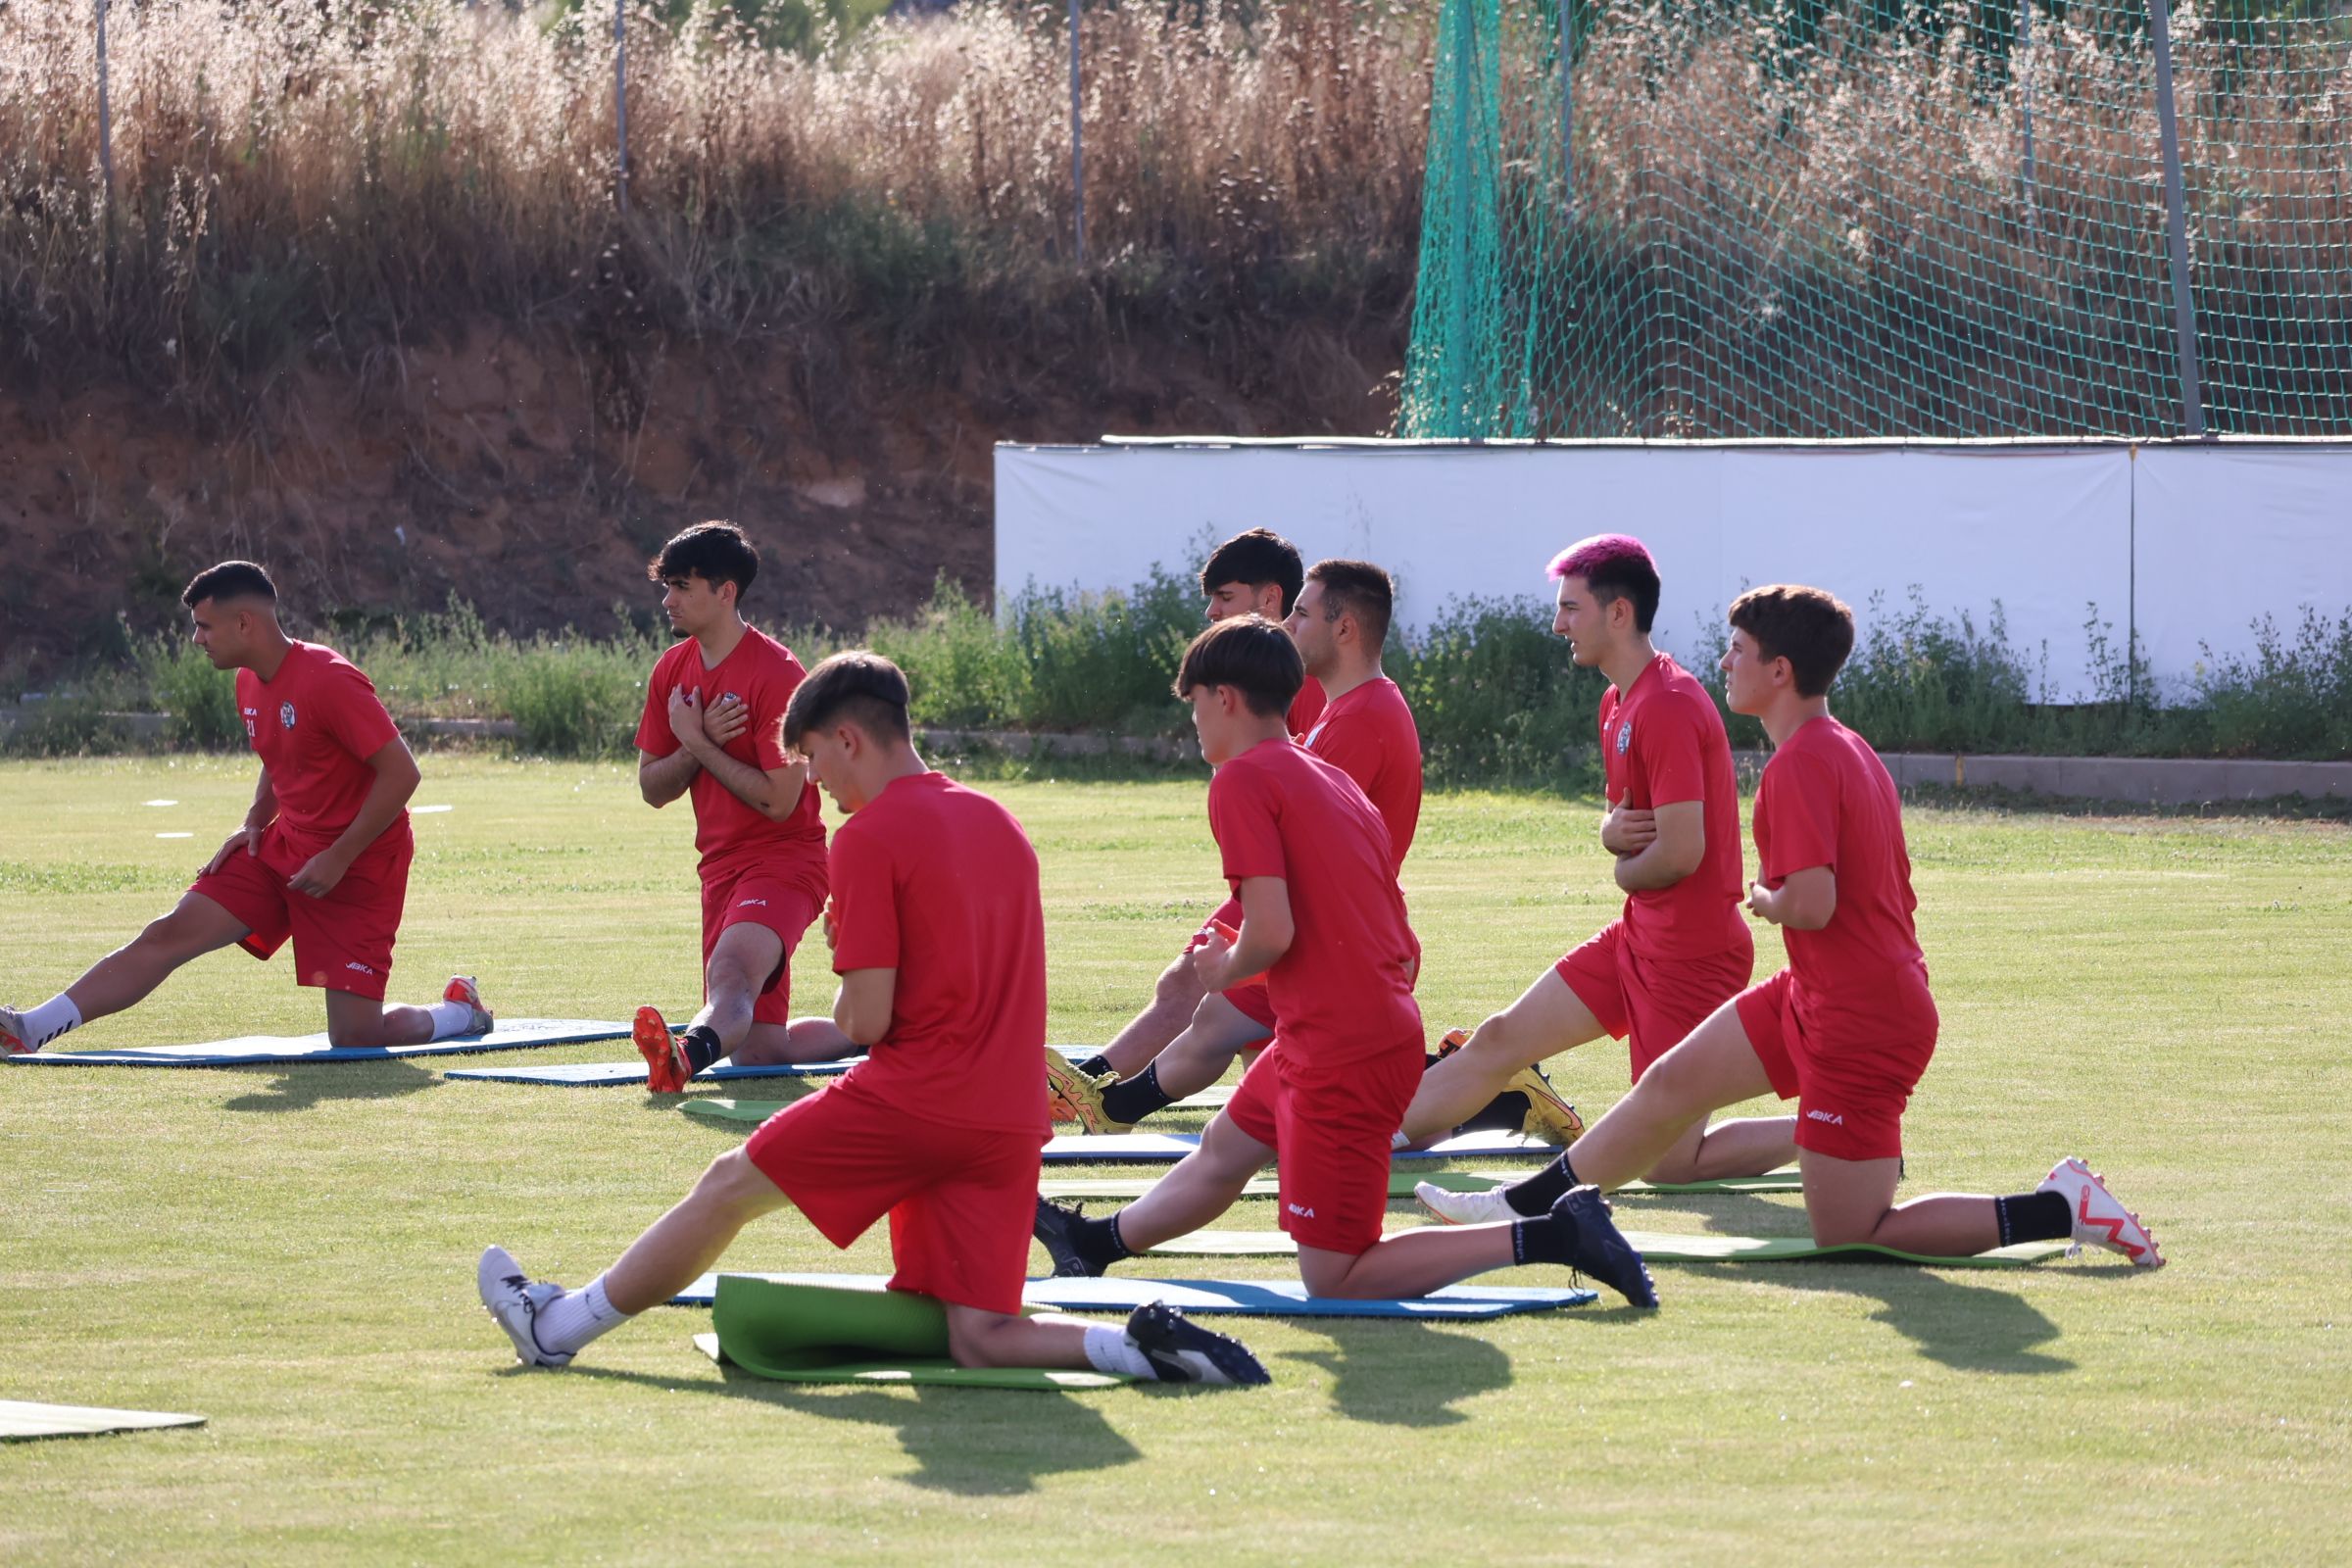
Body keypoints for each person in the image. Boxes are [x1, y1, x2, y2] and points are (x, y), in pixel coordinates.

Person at [479, 652, 1271, 1383]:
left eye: (815, 760)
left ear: (849, 739)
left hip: (917, 1099)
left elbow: (864, 1022)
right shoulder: (1002, 823)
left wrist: (840, 952)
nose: (816, 783)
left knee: (728, 1185)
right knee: (981, 1334)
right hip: (1007, 1121)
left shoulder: (866, 839)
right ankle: (1135, 1347)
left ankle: (556, 1326)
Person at [1417, 586, 2163, 1269]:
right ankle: (1518, 1203)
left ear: (1779, 671)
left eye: (1738, 651)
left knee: (1855, 1230)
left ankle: (2058, 1207)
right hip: (1820, 992)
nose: (1724, 663)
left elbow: (1812, 904)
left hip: (1862, 1017)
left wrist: (1767, 900)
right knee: (1669, 1083)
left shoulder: (1802, 762)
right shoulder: (1841, 746)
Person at [1033, 617, 1658, 1308]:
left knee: (1336, 1274)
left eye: (1194, 705)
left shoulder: (1241, 781)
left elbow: (1269, 931)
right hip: (1349, 1029)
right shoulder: (1327, 775)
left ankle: (1554, 1234)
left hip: (1340, 1047)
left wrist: (1224, 969)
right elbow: (1398, 932)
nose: (1194, 723)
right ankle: (1096, 1244)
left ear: (1226, 698)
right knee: (1225, 1150)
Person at [1051, 559, 1578, 1147]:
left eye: (1301, 613)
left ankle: (1105, 1104)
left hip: (1333, 941)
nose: (1288, 625)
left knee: (1302, 1099)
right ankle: (1491, 1088)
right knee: (1278, 1080)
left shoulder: (1357, 720)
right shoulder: (1343, 713)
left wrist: (1239, 947)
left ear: (1344, 629)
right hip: (1342, 935)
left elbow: (1311, 855)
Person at [1407, 536, 1794, 1193]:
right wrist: (1611, 835)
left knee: (1671, 1166)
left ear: (1618, 613)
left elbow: (1679, 853)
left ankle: (1844, 1127)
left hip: (1691, 955)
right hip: (1640, 938)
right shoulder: (1616, 702)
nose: (1558, 623)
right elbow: (1628, 827)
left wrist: (1618, 863)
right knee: (1501, 1038)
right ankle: (1362, 1131)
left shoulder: (1668, 703)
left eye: (1570, 607)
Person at [0, 562, 489, 1055]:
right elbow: (282, 754)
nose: (196, 639)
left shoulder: (329, 678)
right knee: (168, 933)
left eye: (204, 626)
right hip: (284, 849)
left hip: (360, 865)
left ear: (244, 623)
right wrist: (256, 819)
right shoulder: (249, 681)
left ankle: (460, 1012)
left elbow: (403, 773)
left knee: (354, 1038)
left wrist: (338, 856)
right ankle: (29, 1028)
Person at [1056, 530, 1330, 1092]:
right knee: (1272, 1080)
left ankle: (1089, 1091)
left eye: (1225, 597)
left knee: (1196, 997)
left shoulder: (1287, 687)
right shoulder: (1270, 678)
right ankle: (1092, 1089)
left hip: (1300, 904)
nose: (1211, 610)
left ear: (1270, 598)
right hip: (1285, 895)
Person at [629, 522, 853, 1091]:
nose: (667, 599)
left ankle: (685, 1056)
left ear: (725, 591)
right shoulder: (671, 672)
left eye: (682, 586)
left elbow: (780, 803)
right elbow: (653, 789)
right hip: (718, 869)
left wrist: (698, 741)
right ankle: (879, 1028)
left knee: (729, 976)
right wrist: (693, 739)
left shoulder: (777, 675)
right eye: (667, 585)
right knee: (758, 1052)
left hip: (785, 860)